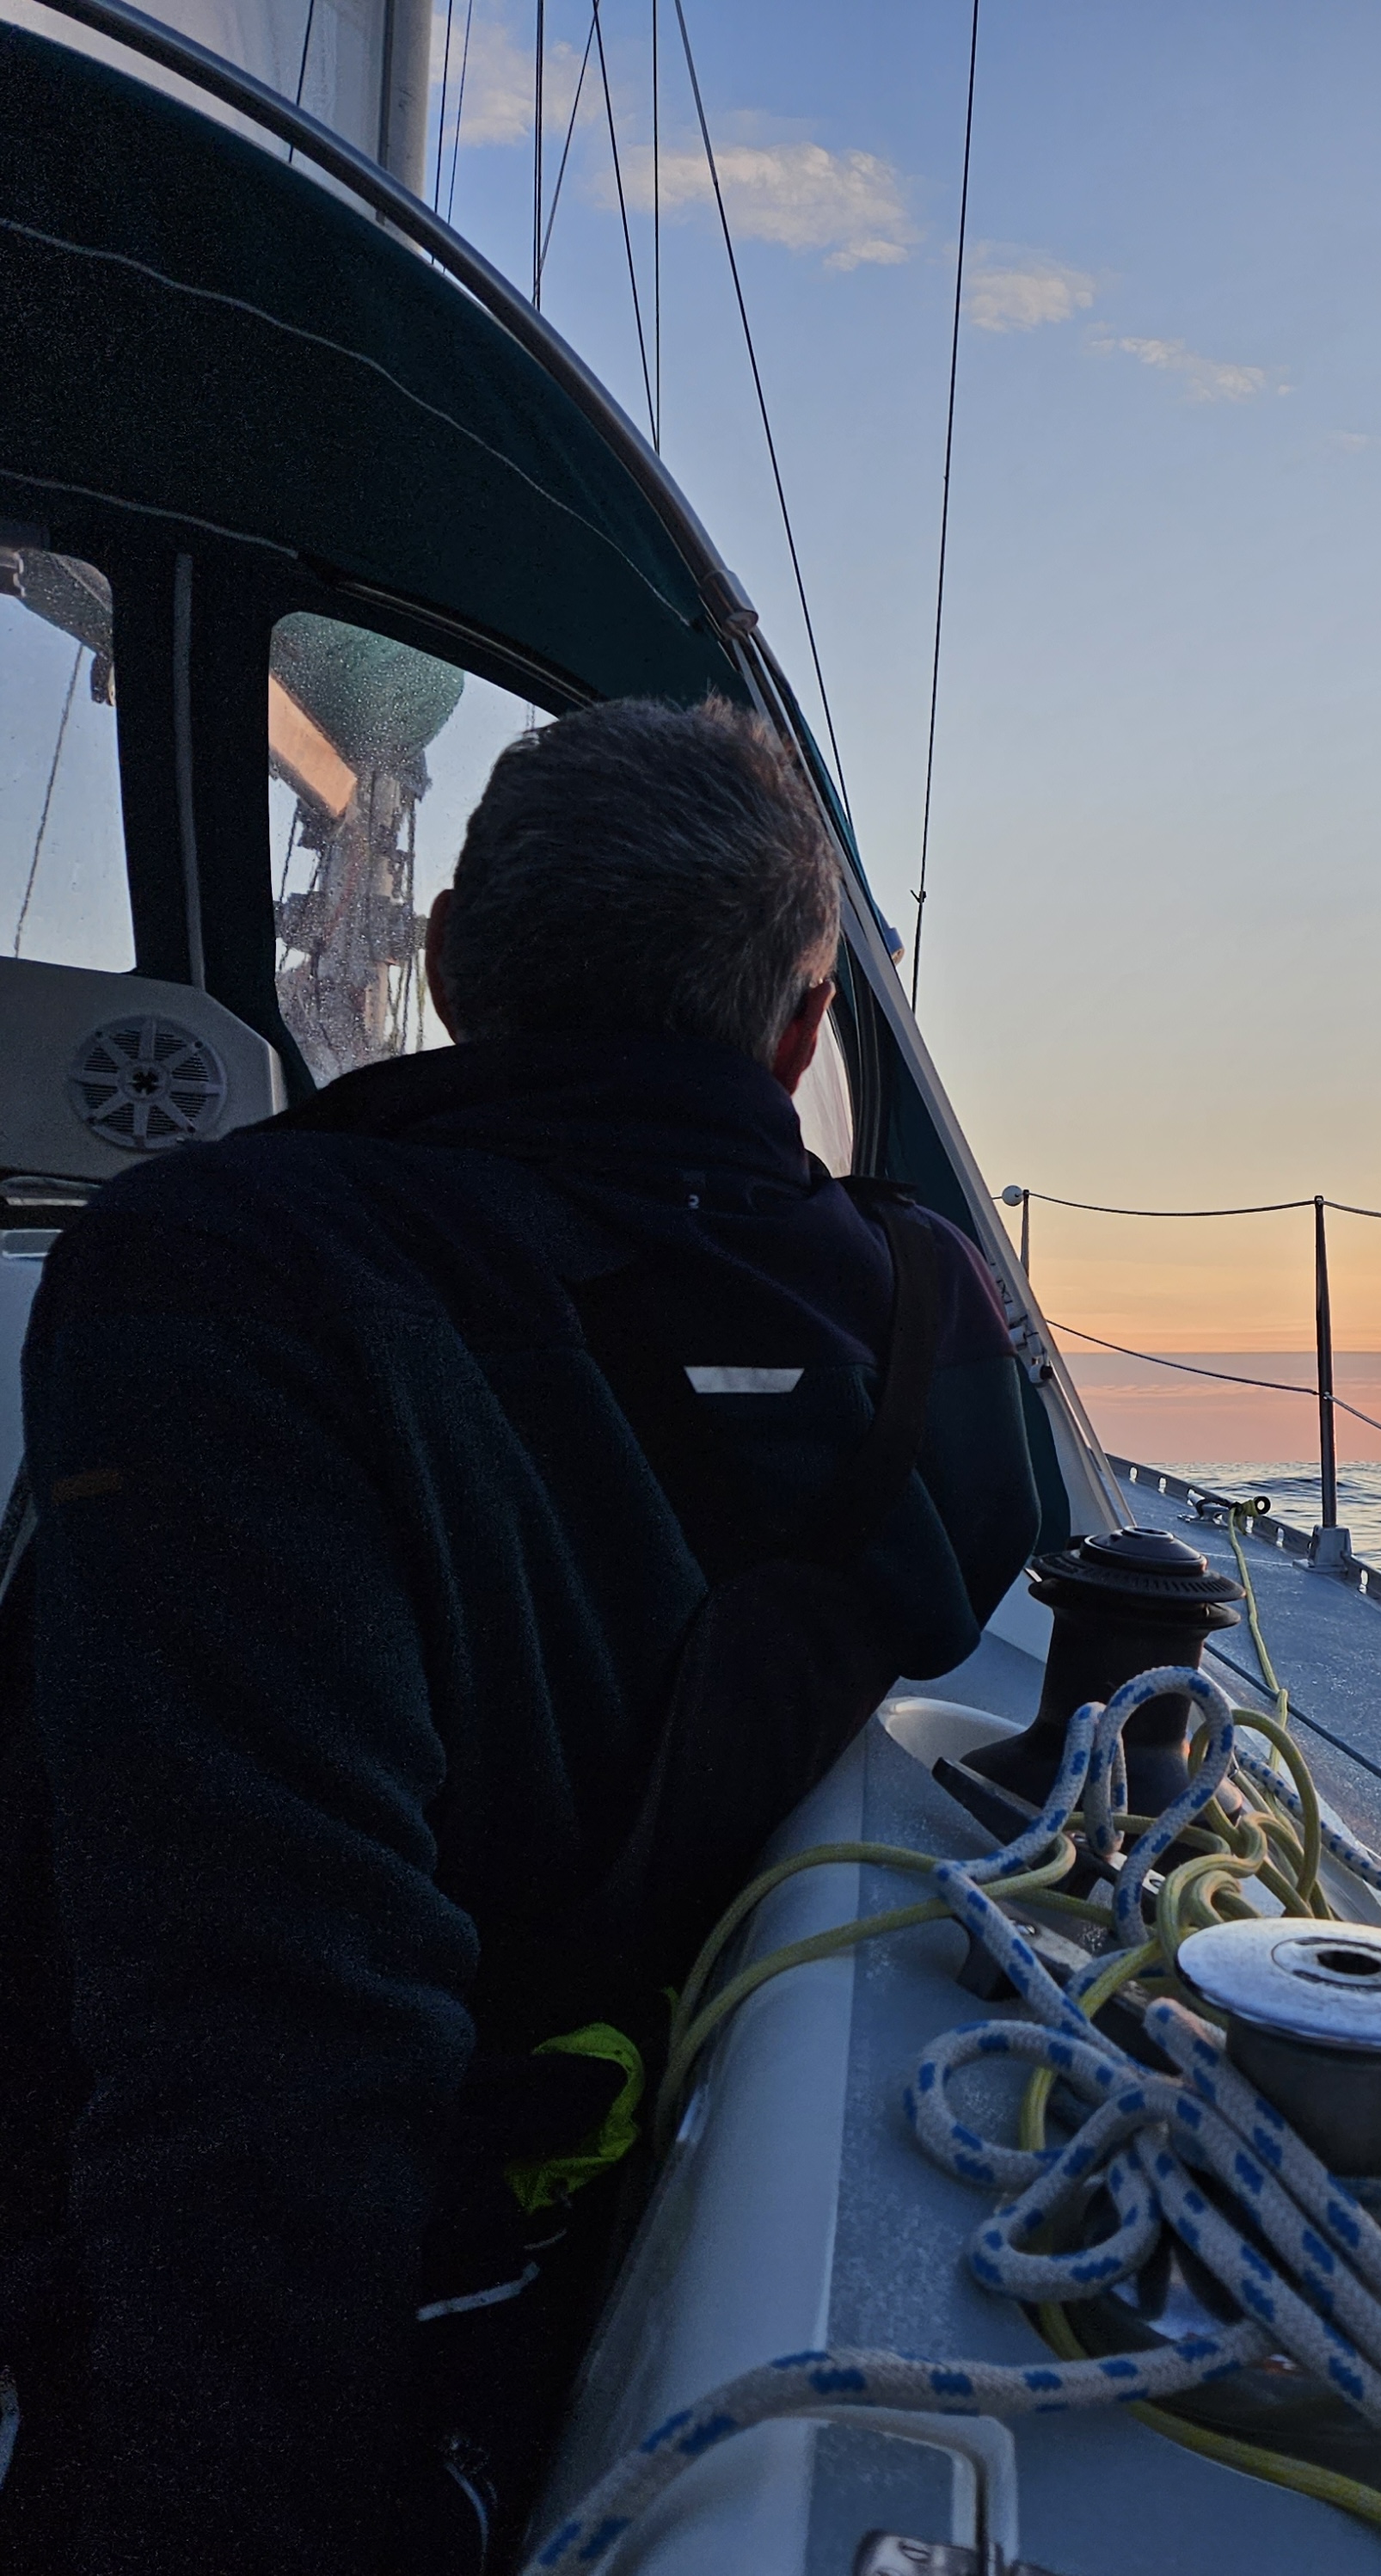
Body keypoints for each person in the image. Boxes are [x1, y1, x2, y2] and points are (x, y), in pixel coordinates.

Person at [0, 697, 1042, 2573]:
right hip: (610, 2230)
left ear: (454, 963)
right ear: (806, 1031)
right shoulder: (931, 1314)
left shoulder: (218, 1273)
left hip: (265, 2377)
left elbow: (259, 2011)